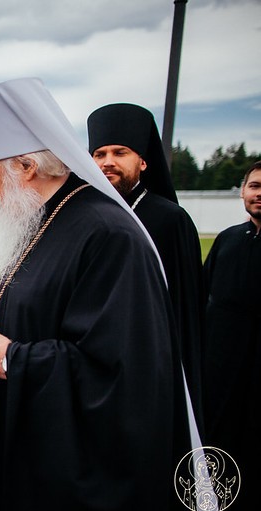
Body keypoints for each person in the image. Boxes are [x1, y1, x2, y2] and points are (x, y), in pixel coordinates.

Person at [0, 78, 197, 511]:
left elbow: (121, 375)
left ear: (25, 166)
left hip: (58, 489)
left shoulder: (107, 236)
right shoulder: (34, 221)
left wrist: (8, 360)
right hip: (17, 460)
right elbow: (20, 323)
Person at [88, 103, 205, 421]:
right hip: (93, 361)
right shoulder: (84, 215)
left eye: (120, 152)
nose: (108, 162)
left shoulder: (171, 220)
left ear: (142, 161)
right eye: (99, 154)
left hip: (150, 361)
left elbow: (183, 310)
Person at [202, 161, 261, 511]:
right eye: (254, 186)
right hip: (220, 367)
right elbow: (203, 298)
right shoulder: (227, 240)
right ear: (242, 192)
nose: (260, 194)